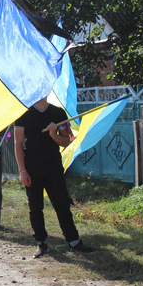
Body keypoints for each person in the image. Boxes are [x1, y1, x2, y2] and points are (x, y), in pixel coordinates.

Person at [14, 97, 96, 258]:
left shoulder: (58, 113)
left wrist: (53, 135)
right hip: (32, 168)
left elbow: (66, 141)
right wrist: (22, 171)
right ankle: (41, 242)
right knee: (35, 207)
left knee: (62, 204)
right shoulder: (23, 113)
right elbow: (17, 143)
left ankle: (73, 241)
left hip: (53, 167)